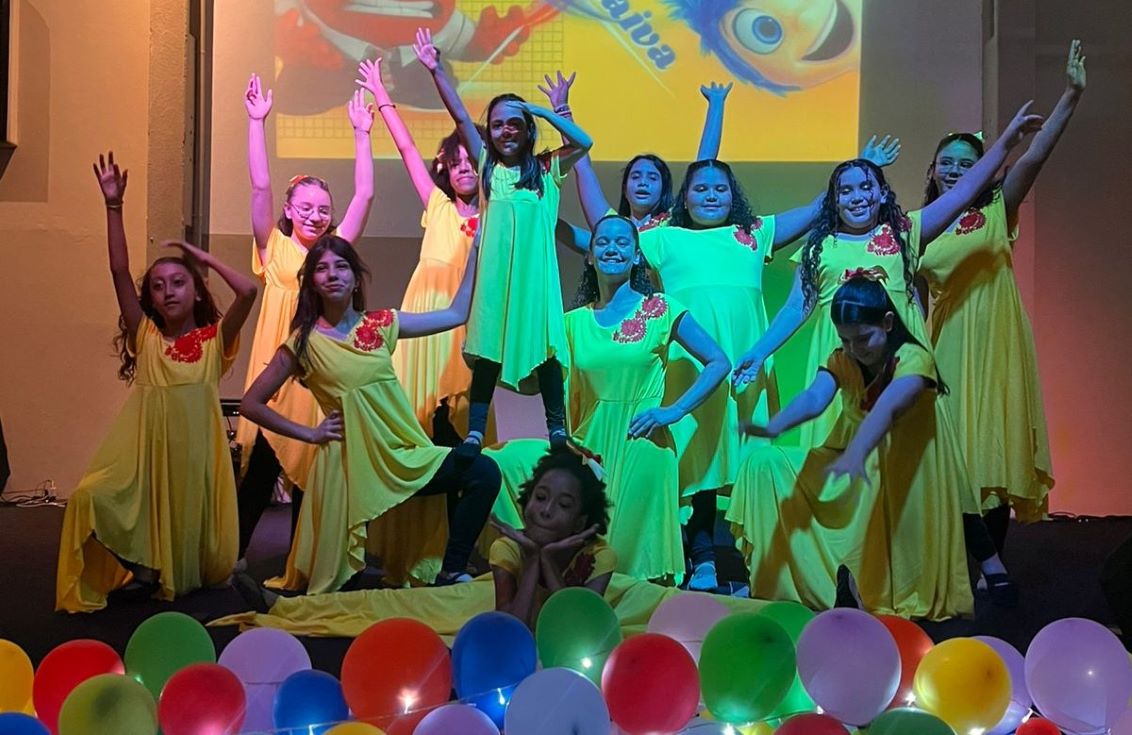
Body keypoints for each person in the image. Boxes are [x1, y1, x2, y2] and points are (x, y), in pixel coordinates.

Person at [733, 102, 1046, 451]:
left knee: (902, 458)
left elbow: (962, 193)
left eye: (865, 187)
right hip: (840, 358)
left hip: (898, 358)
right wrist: (758, 352)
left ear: (882, 194)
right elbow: (795, 308)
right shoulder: (819, 247)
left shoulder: (904, 232)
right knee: (842, 460)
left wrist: (1006, 142)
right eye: (845, 191)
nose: (857, 198)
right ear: (833, 201)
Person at [239, 235, 501, 593]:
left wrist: (475, 251)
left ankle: (452, 568)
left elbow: (456, 314)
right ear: (312, 282)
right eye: (321, 269)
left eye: (341, 266)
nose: (332, 274)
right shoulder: (302, 342)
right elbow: (251, 403)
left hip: (400, 454)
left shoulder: (381, 323)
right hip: (350, 466)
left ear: (355, 278)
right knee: (341, 587)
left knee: (483, 472)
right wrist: (310, 434)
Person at [57, 153, 257, 612]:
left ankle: (162, 571)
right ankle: (146, 567)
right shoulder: (146, 337)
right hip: (147, 450)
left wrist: (204, 258)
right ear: (150, 298)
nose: (168, 291)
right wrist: (113, 207)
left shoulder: (213, 340)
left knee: (189, 527)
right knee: (89, 497)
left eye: (179, 282)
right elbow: (118, 271)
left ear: (196, 291)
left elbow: (249, 291)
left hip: (195, 454)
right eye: (159, 286)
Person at [727, 277, 984, 620]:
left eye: (863, 338)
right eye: (845, 340)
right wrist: (774, 426)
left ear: (887, 323)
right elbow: (814, 398)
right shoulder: (843, 359)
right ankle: (793, 581)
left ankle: (864, 586)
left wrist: (858, 453)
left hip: (900, 479)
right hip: (850, 462)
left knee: (870, 477)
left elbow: (887, 407)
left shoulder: (913, 358)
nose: (854, 349)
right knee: (764, 463)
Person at [917, 40, 1085, 548]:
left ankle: (992, 566)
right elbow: (913, 303)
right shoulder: (918, 226)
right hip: (948, 346)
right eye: (947, 162)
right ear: (932, 170)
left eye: (966, 162)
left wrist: (1070, 96)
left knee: (994, 450)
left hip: (997, 343)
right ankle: (957, 567)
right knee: (952, 454)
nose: (955, 169)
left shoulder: (995, 209)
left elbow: (1036, 156)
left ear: (984, 168)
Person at [509, 215, 730, 583]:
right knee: (591, 564)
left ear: (637, 256)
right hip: (591, 451)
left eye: (622, 242)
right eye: (603, 242)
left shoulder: (662, 309)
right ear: (590, 256)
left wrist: (674, 411)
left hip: (644, 447)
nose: (612, 249)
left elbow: (718, 362)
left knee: (635, 563)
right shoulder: (571, 323)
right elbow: (536, 384)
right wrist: (488, 365)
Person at [415, 29, 594, 456]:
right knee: (487, 346)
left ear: (528, 129)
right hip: (495, 279)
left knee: (546, 348)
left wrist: (543, 111)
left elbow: (584, 142)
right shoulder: (487, 167)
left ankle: (556, 430)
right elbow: (461, 117)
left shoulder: (547, 169)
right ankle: (476, 432)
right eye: (497, 124)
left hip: (535, 279)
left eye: (515, 123)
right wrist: (437, 70)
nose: (505, 131)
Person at [234, 73, 376, 565]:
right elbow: (259, 184)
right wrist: (256, 122)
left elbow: (364, 196)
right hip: (275, 377)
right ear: (290, 210)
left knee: (310, 472)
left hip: (313, 377)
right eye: (307, 208)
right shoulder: (273, 249)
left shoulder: (332, 256)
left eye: (324, 209)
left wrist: (362, 134)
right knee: (260, 468)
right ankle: (233, 555)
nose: (316, 216)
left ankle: (305, 560)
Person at [355, 58, 487, 444]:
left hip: (465, 322)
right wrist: (382, 95)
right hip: (425, 316)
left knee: (458, 416)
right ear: (444, 168)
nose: (464, 169)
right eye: (455, 163)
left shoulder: (494, 214)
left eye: (471, 162)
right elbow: (407, 147)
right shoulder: (438, 204)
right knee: (419, 415)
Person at [490, 447, 616, 629]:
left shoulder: (599, 556)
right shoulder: (507, 548)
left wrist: (547, 561)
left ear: (580, 522)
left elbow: (577, 631)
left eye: (564, 505)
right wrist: (532, 561)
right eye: (541, 497)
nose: (546, 511)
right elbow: (509, 631)